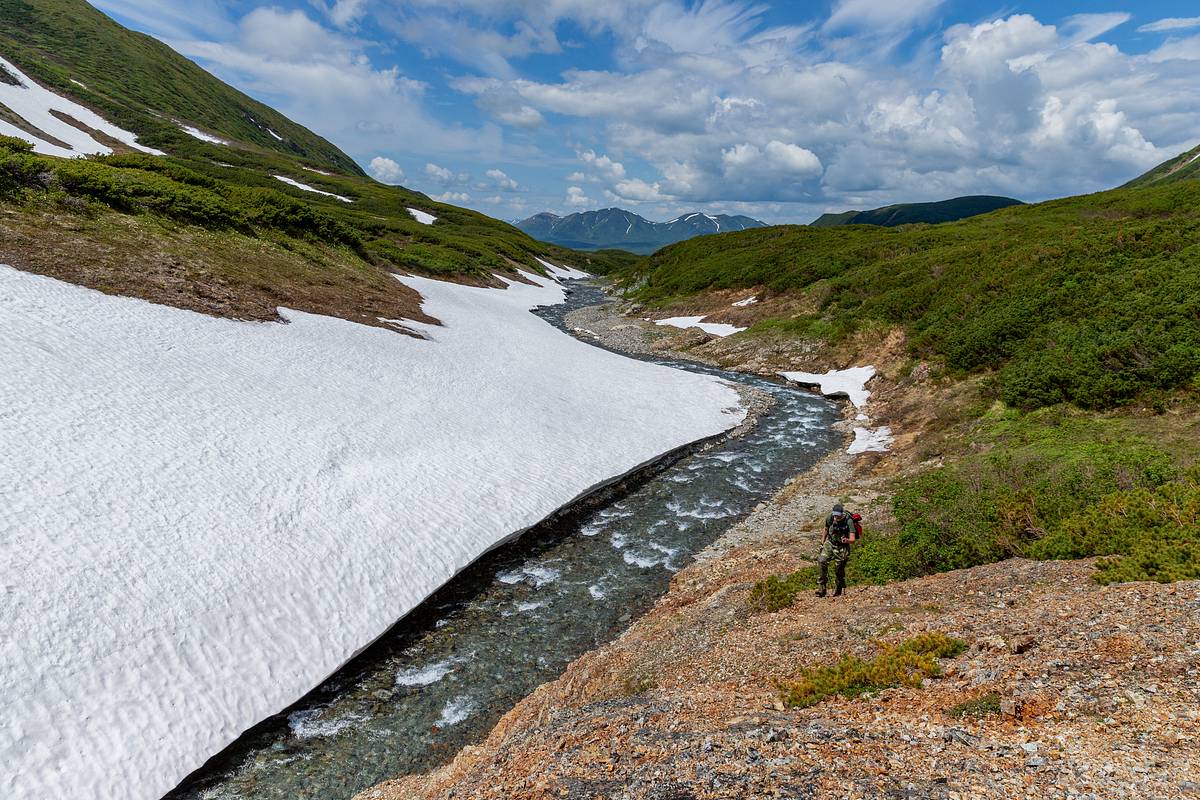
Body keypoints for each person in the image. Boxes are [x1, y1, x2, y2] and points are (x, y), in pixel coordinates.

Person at [816, 503, 856, 598]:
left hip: (842, 546)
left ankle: (839, 588)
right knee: (822, 561)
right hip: (830, 543)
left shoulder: (848, 521)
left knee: (839, 569)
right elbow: (826, 530)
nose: (836, 517)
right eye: (835, 515)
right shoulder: (830, 518)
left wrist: (847, 540)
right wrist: (822, 543)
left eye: (838, 515)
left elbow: (853, 539)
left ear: (842, 514)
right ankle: (822, 588)